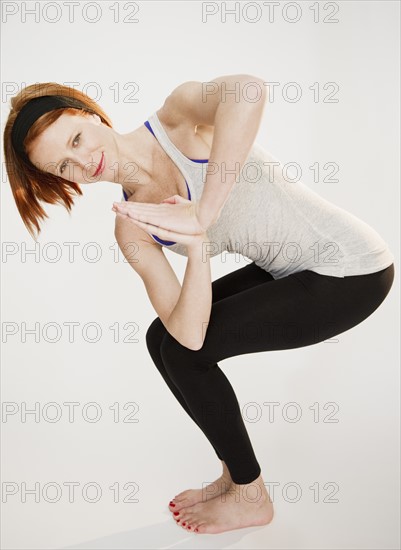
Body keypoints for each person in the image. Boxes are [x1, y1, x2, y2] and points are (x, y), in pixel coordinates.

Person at [3, 76, 395, 535]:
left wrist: (201, 213)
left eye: (77, 139)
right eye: (64, 166)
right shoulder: (132, 228)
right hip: (292, 271)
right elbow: (187, 334)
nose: (85, 163)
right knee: (163, 339)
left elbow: (248, 92)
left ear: (89, 114)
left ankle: (251, 495)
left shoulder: (178, 117)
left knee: (182, 354)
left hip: (349, 269)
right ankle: (236, 475)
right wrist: (197, 247)